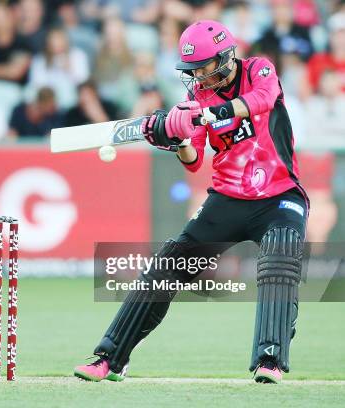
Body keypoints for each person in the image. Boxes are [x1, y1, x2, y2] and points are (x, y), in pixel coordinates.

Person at [74, 20, 308, 384]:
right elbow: (194, 159)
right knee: (167, 264)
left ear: (227, 57)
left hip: (280, 196)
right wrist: (174, 138)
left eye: (204, 67)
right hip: (227, 199)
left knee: (279, 260)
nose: (198, 75)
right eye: (192, 70)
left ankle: (270, 359)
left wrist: (215, 113)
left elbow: (263, 99)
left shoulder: (257, 69)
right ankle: (110, 357)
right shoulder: (197, 98)